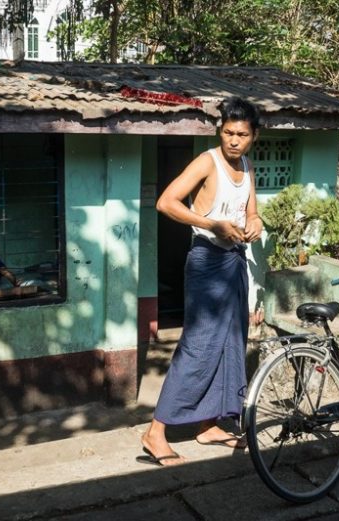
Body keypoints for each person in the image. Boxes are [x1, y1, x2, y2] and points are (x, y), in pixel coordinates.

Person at [139, 97, 263, 466]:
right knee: (198, 345)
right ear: (219, 131)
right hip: (207, 262)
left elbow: (252, 212)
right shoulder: (207, 162)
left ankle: (209, 423)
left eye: (242, 134)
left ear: (253, 135)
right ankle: (155, 431)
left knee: (230, 344)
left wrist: (254, 224)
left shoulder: (248, 166)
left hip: (235, 263)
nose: (234, 140)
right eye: (228, 132)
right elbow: (166, 202)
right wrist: (212, 223)